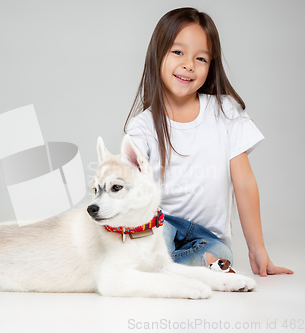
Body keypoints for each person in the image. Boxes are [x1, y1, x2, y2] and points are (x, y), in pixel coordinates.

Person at [125, 7, 293, 277]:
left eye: (200, 58)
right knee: (155, 240)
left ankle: (156, 272)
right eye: (178, 52)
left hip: (207, 236)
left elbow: (245, 183)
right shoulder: (143, 127)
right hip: (159, 226)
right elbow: (130, 195)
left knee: (222, 256)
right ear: (157, 55)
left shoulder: (225, 112)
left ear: (210, 65)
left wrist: (257, 250)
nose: (189, 64)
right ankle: (154, 266)